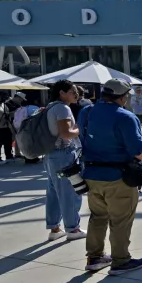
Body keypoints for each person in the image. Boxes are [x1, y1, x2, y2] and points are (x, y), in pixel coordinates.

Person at [79, 78, 142, 274]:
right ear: (122, 97)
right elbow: (137, 150)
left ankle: (94, 257)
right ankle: (121, 260)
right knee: (120, 219)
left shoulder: (86, 112)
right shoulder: (125, 116)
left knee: (97, 216)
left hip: (90, 173)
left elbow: (82, 137)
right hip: (118, 176)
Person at [43, 80, 87, 242]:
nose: (76, 95)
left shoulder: (51, 106)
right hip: (64, 153)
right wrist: (80, 128)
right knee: (70, 191)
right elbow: (66, 134)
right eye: (72, 92)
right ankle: (72, 228)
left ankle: (55, 228)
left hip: (51, 154)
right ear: (62, 93)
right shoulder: (62, 108)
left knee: (53, 192)